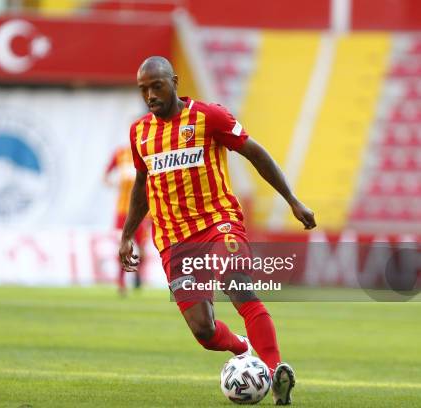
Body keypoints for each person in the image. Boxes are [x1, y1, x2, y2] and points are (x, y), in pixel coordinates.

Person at [119, 56, 316, 405]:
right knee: (205, 332)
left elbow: (256, 154)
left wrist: (292, 200)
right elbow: (141, 186)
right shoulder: (139, 133)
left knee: (239, 289)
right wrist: (127, 234)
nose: (149, 95)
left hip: (217, 222)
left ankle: (274, 377)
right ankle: (243, 348)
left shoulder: (209, 117)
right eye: (143, 89)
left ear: (174, 81)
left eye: (156, 86)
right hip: (174, 240)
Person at [104, 146, 149, 296]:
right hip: (123, 211)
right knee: (123, 245)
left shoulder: (147, 150)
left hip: (143, 212)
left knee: (142, 249)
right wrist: (114, 184)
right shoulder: (120, 153)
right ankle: (121, 282)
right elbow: (105, 176)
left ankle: (137, 276)